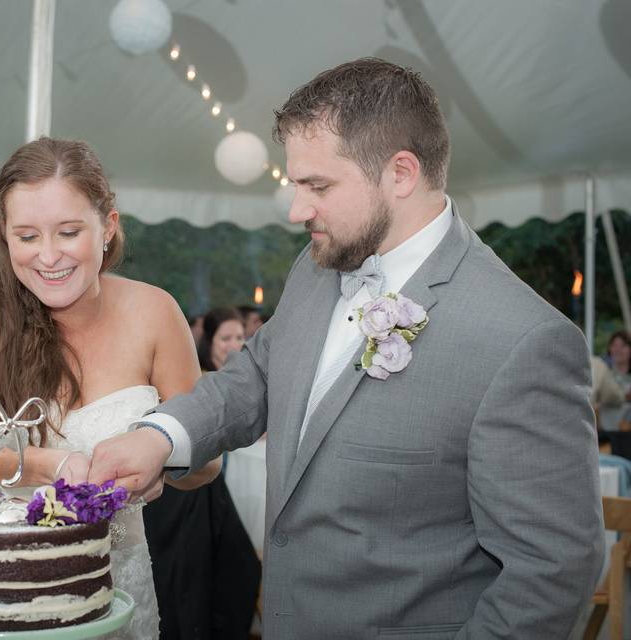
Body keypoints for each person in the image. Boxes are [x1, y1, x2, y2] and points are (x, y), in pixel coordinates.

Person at [90, 58, 603, 638]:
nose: (297, 210)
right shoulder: (315, 268)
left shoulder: (524, 341)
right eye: (295, 185)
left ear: (401, 173)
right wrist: (161, 436)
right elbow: (255, 375)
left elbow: (553, 570)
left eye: (318, 186)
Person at [0, 137, 220, 640]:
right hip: (5, 575)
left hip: (114, 581)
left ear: (108, 227)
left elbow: (206, 462)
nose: (48, 257)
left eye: (68, 232)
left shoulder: (156, 312)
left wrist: (161, 458)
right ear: (4, 235)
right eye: (26, 236)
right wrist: (57, 466)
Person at [144, 306, 260, 639]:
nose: (233, 344)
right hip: (168, 495)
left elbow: (207, 463)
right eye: (226, 337)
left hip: (198, 483)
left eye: (240, 337)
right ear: (209, 340)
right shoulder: (204, 381)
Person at [599, 329, 631, 431]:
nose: (618, 349)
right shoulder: (602, 374)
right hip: (606, 434)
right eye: (614, 345)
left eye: (623, 346)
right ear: (610, 348)